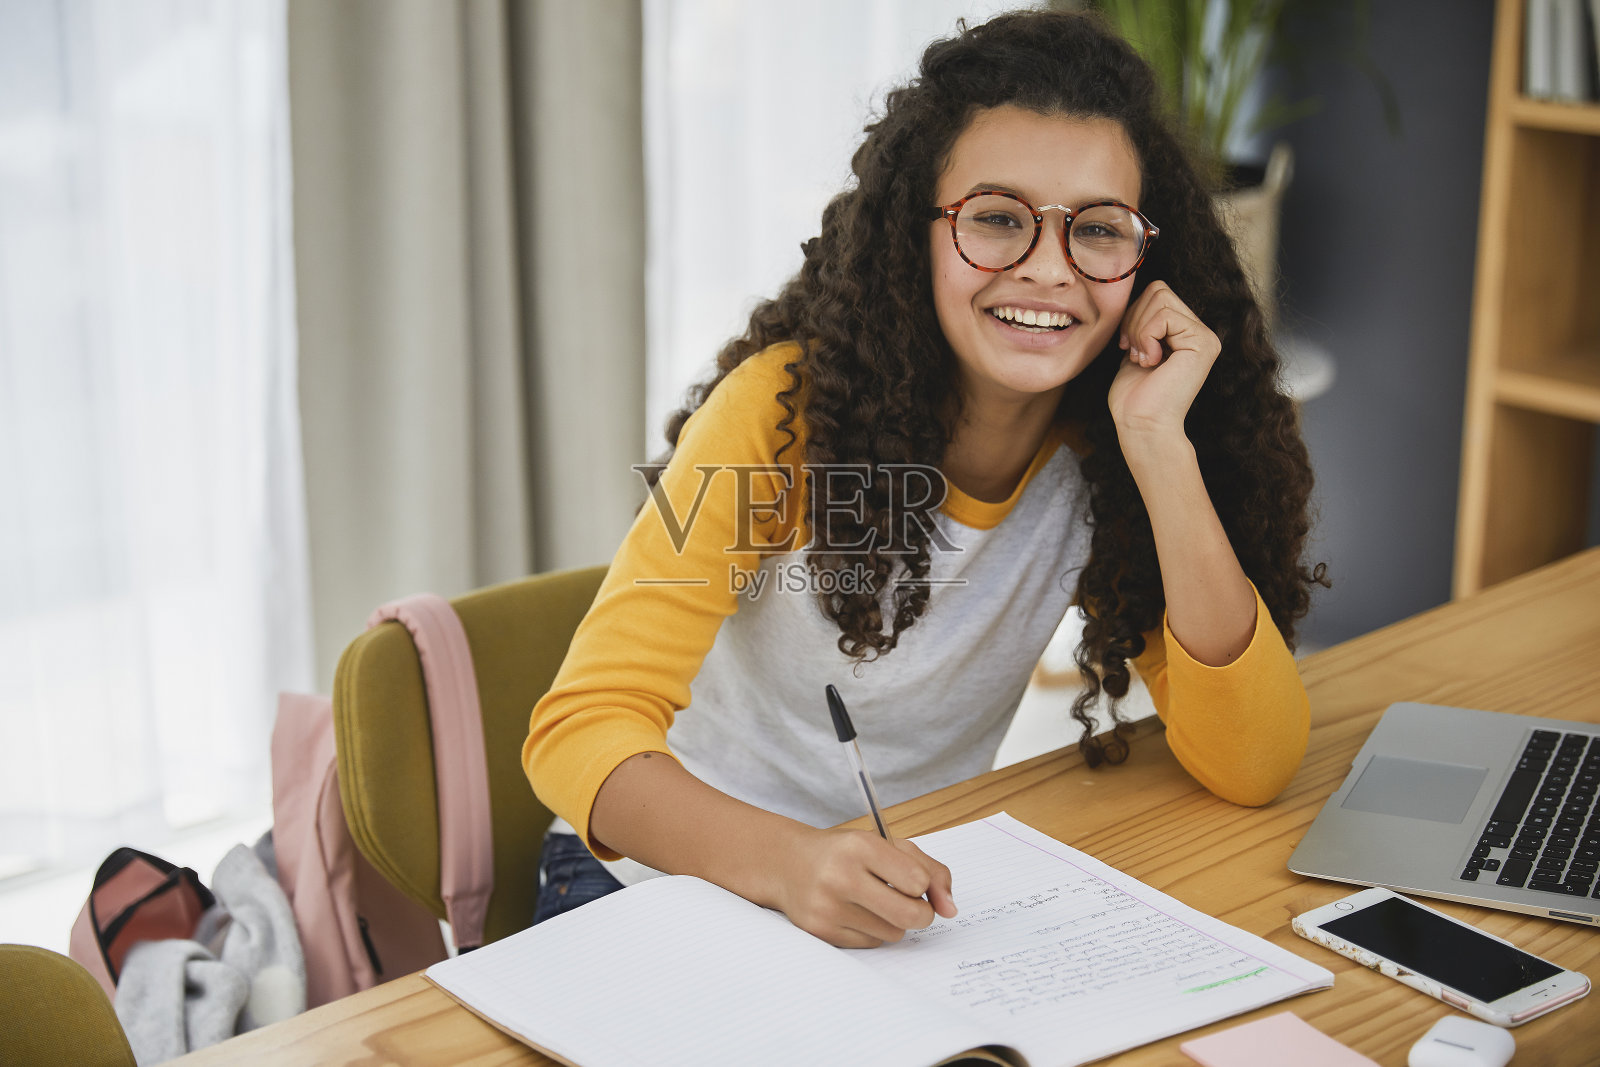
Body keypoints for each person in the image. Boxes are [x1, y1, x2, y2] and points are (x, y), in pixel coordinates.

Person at [523, 9, 1325, 948]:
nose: (1049, 270)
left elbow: (1255, 762)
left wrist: (1160, 445)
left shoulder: (1105, 445)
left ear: (1148, 260)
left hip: (888, 899)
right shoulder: (778, 413)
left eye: (1098, 230)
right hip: (654, 876)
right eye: (996, 219)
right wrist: (789, 863)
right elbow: (578, 730)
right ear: (918, 233)